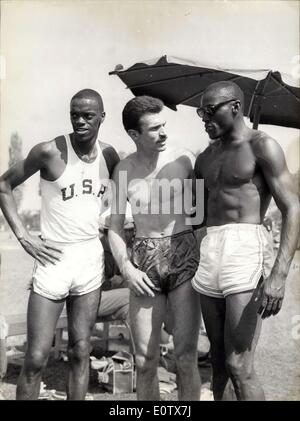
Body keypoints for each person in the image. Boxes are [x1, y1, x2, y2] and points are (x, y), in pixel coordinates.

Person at [0, 89, 119, 400]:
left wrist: (109, 247)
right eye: (74, 114)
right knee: (37, 357)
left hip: (89, 259)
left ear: (102, 118)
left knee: (81, 352)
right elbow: (3, 185)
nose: (79, 120)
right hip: (54, 257)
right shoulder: (49, 152)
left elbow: (115, 209)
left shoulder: (110, 156)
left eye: (87, 116)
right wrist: (24, 237)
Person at [192, 81, 300, 400]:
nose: (204, 118)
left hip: (246, 245)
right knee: (218, 362)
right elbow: (196, 214)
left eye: (210, 111)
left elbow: (293, 207)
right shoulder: (204, 158)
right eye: (201, 112)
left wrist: (279, 275)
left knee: (240, 364)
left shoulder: (262, 145)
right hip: (211, 247)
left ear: (236, 108)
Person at [108, 95, 201, 400]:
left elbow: (200, 218)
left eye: (164, 125)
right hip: (143, 263)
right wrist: (127, 269)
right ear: (134, 135)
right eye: (153, 129)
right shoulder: (123, 170)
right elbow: (115, 228)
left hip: (184, 254)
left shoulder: (185, 160)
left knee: (186, 358)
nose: (163, 133)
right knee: (144, 361)